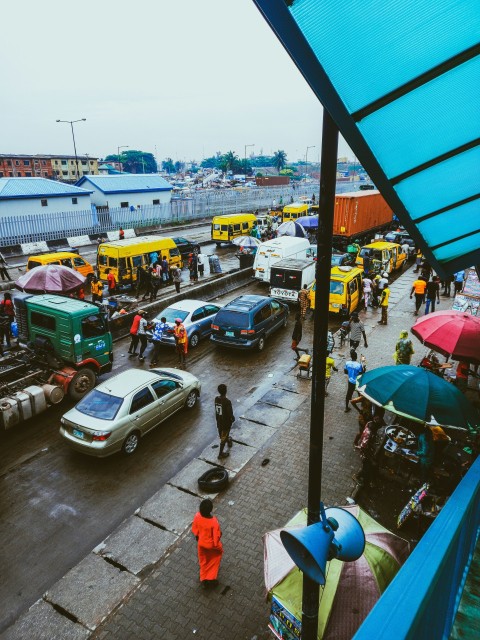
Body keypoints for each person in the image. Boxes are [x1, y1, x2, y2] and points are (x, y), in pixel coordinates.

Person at [191, 499, 223, 588]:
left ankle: (203, 578)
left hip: (201, 544)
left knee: (203, 561)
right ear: (211, 510)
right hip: (211, 546)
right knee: (214, 560)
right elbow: (216, 537)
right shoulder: (213, 522)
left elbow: (195, 530)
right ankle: (211, 579)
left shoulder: (197, 516)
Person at [354, 415, 385, 487]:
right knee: (366, 466)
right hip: (365, 452)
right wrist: (371, 459)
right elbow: (364, 448)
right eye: (380, 426)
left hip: (369, 449)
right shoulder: (369, 434)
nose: (380, 428)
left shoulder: (370, 423)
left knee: (371, 464)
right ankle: (357, 476)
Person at [215, 383, 235, 459]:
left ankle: (228, 440)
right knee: (223, 437)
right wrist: (232, 418)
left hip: (219, 421)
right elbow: (230, 413)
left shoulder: (216, 399)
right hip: (225, 423)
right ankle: (220, 454)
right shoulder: (227, 401)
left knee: (223, 434)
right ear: (226, 391)